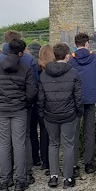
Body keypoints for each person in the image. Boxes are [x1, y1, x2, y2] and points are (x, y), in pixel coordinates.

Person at [0, 38, 37, 191]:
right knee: (19, 144)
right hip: (19, 109)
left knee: (3, 144)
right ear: (21, 53)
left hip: (1, 110)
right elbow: (31, 92)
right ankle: (21, 180)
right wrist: (24, 102)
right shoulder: (26, 68)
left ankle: (4, 181)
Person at [38, 43, 83, 189]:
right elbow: (78, 96)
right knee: (68, 144)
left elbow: (41, 97)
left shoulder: (44, 74)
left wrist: (42, 113)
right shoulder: (74, 73)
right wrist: (79, 111)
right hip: (69, 114)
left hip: (50, 114)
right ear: (67, 56)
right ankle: (68, 178)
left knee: (53, 143)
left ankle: (53, 176)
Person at [69, 32, 96, 175]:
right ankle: (89, 164)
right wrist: (95, 88)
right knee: (89, 132)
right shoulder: (95, 58)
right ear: (87, 43)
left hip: (75, 99)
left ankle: (74, 165)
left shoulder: (71, 60)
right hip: (90, 97)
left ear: (76, 44)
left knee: (74, 132)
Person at [37, 45, 55, 175]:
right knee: (54, 137)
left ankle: (45, 161)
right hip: (55, 106)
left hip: (43, 106)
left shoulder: (40, 71)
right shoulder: (56, 69)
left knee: (43, 134)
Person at [27, 42, 42, 166]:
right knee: (44, 130)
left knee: (31, 130)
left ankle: (34, 156)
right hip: (42, 101)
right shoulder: (43, 64)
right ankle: (43, 157)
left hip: (31, 100)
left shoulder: (29, 63)